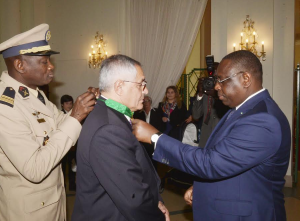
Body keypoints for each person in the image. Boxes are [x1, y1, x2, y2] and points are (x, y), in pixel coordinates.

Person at [132, 50, 291, 221]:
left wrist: (156, 138)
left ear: (245, 78)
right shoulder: (240, 110)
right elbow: (230, 161)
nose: (216, 87)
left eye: (221, 80)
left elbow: (211, 162)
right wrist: (203, 189)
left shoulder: (262, 119)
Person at [0, 24, 96, 221]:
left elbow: (67, 128)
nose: (51, 66)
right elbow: (35, 169)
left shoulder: (37, 96)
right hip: (28, 213)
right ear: (20, 65)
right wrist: (76, 116)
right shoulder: (5, 107)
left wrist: (91, 105)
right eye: (44, 62)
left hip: (52, 204)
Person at [72, 54, 169, 221]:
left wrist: (154, 201)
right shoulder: (108, 129)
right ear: (119, 87)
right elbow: (133, 198)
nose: (146, 90)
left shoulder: (110, 114)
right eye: (141, 84)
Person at [192, 63, 229, 147]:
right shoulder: (206, 88)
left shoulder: (226, 88)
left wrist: (215, 96)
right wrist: (200, 93)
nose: (214, 74)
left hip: (221, 132)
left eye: (216, 71)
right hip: (206, 133)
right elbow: (196, 115)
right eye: (211, 72)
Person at [133, 95, 163, 168]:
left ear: (150, 102)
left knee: (154, 162)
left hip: (154, 140)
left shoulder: (157, 112)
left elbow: (161, 126)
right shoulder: (138, 114)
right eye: (144, 101)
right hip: (143, 141)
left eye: (147, 101)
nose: (146, 103)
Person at [60, 94, 77, 191]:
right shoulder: (59, 114)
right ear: (62, 105)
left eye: (71, 103)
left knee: (73, 166)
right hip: (63, 144)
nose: (69, 106)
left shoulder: (74, 114)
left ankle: (72, 185)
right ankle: (63, 186)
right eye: (67, 104)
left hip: (73, 145)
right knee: (62, 167)